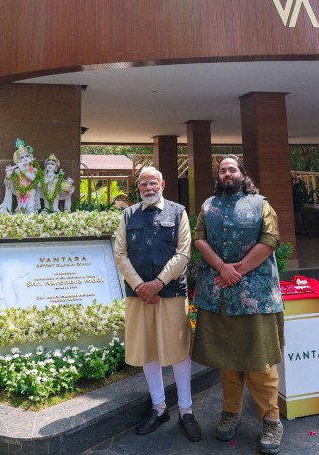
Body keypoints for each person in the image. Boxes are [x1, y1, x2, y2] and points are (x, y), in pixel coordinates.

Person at [192, 155, 284, 454]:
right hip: (218, 294)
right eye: (222, 170)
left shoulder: (261, 204)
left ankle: (271, 420)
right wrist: (222, 268)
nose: (227, 173)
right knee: (228, 362)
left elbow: (270, 239)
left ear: (242, 174)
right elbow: (200, 238)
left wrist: (238, 270)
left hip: (255, 296)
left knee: (260, 363)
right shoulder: (208, 206)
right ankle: (230, 413)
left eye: (232, 169)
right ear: (218, 176)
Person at [112, 167, 201, 441]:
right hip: (138, 296)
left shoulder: (178, 212)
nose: (148, 188)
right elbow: (119, 253)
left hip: (171, 293)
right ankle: (159, 407)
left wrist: (158, 283)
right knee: (148, 349)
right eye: (143, 185)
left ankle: (186, 410)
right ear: (138, 188)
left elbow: (184, 252)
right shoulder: (128, 215)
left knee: (179, 351)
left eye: (153, 183)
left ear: (162, 184)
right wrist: (140, 286)